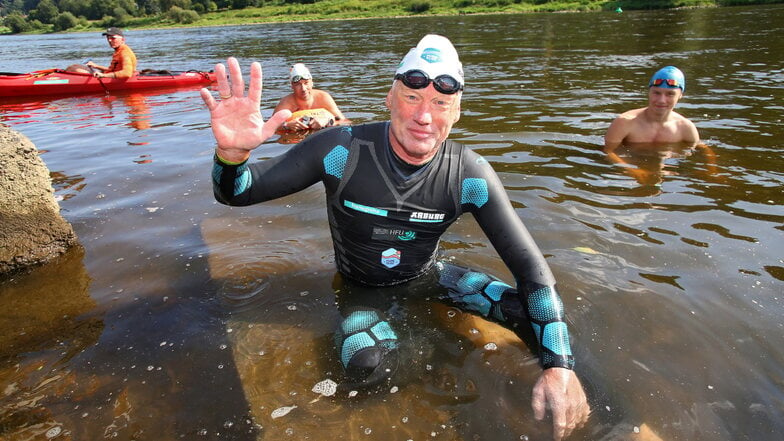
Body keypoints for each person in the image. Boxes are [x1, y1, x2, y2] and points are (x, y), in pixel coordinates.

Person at [200, 34, 589, 440]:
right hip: (363, 287)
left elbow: (532, 271)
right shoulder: (341, 151)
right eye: (412, 97)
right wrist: (232, 155)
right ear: (389, 98)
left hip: (430, 275)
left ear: (456, 112)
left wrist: (560, 367)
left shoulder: (469, 175)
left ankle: (571, 397)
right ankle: (432, 349)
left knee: (545, 322)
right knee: (367, 368)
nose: (425, 116)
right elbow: (237, 192)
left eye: (440, 103)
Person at [604, 66, 709, 185]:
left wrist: (713, 170)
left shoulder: (685, 127)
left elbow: (702, 147)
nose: (661, 100)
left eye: (670, 94)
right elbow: (608, 152)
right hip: (628, 175)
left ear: (680, 95)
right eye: (656, 93)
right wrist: (632, 171)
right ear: (649, 92)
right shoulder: (625, 122)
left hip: (667, 173)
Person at [273, 63, 350, 131]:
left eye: (306, 83)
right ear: (292, 86)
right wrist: (286, 125)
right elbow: (269, 127)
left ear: (312, 83)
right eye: (298, 84)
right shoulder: (286, 103)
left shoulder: (323, 97)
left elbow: (345, 122)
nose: (303, 89)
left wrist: (327, 122)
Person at [71, 27, 137, 80]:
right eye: (108, 38)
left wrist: (103, 75)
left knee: (74, 69)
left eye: (113, 38)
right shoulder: (118, 50)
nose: (109, 40)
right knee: (74, 66)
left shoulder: (125, 53)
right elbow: (113, 69)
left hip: (117, 79)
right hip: (112, 75)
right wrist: (96, 66)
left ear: (122, 40)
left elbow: (127, 73)